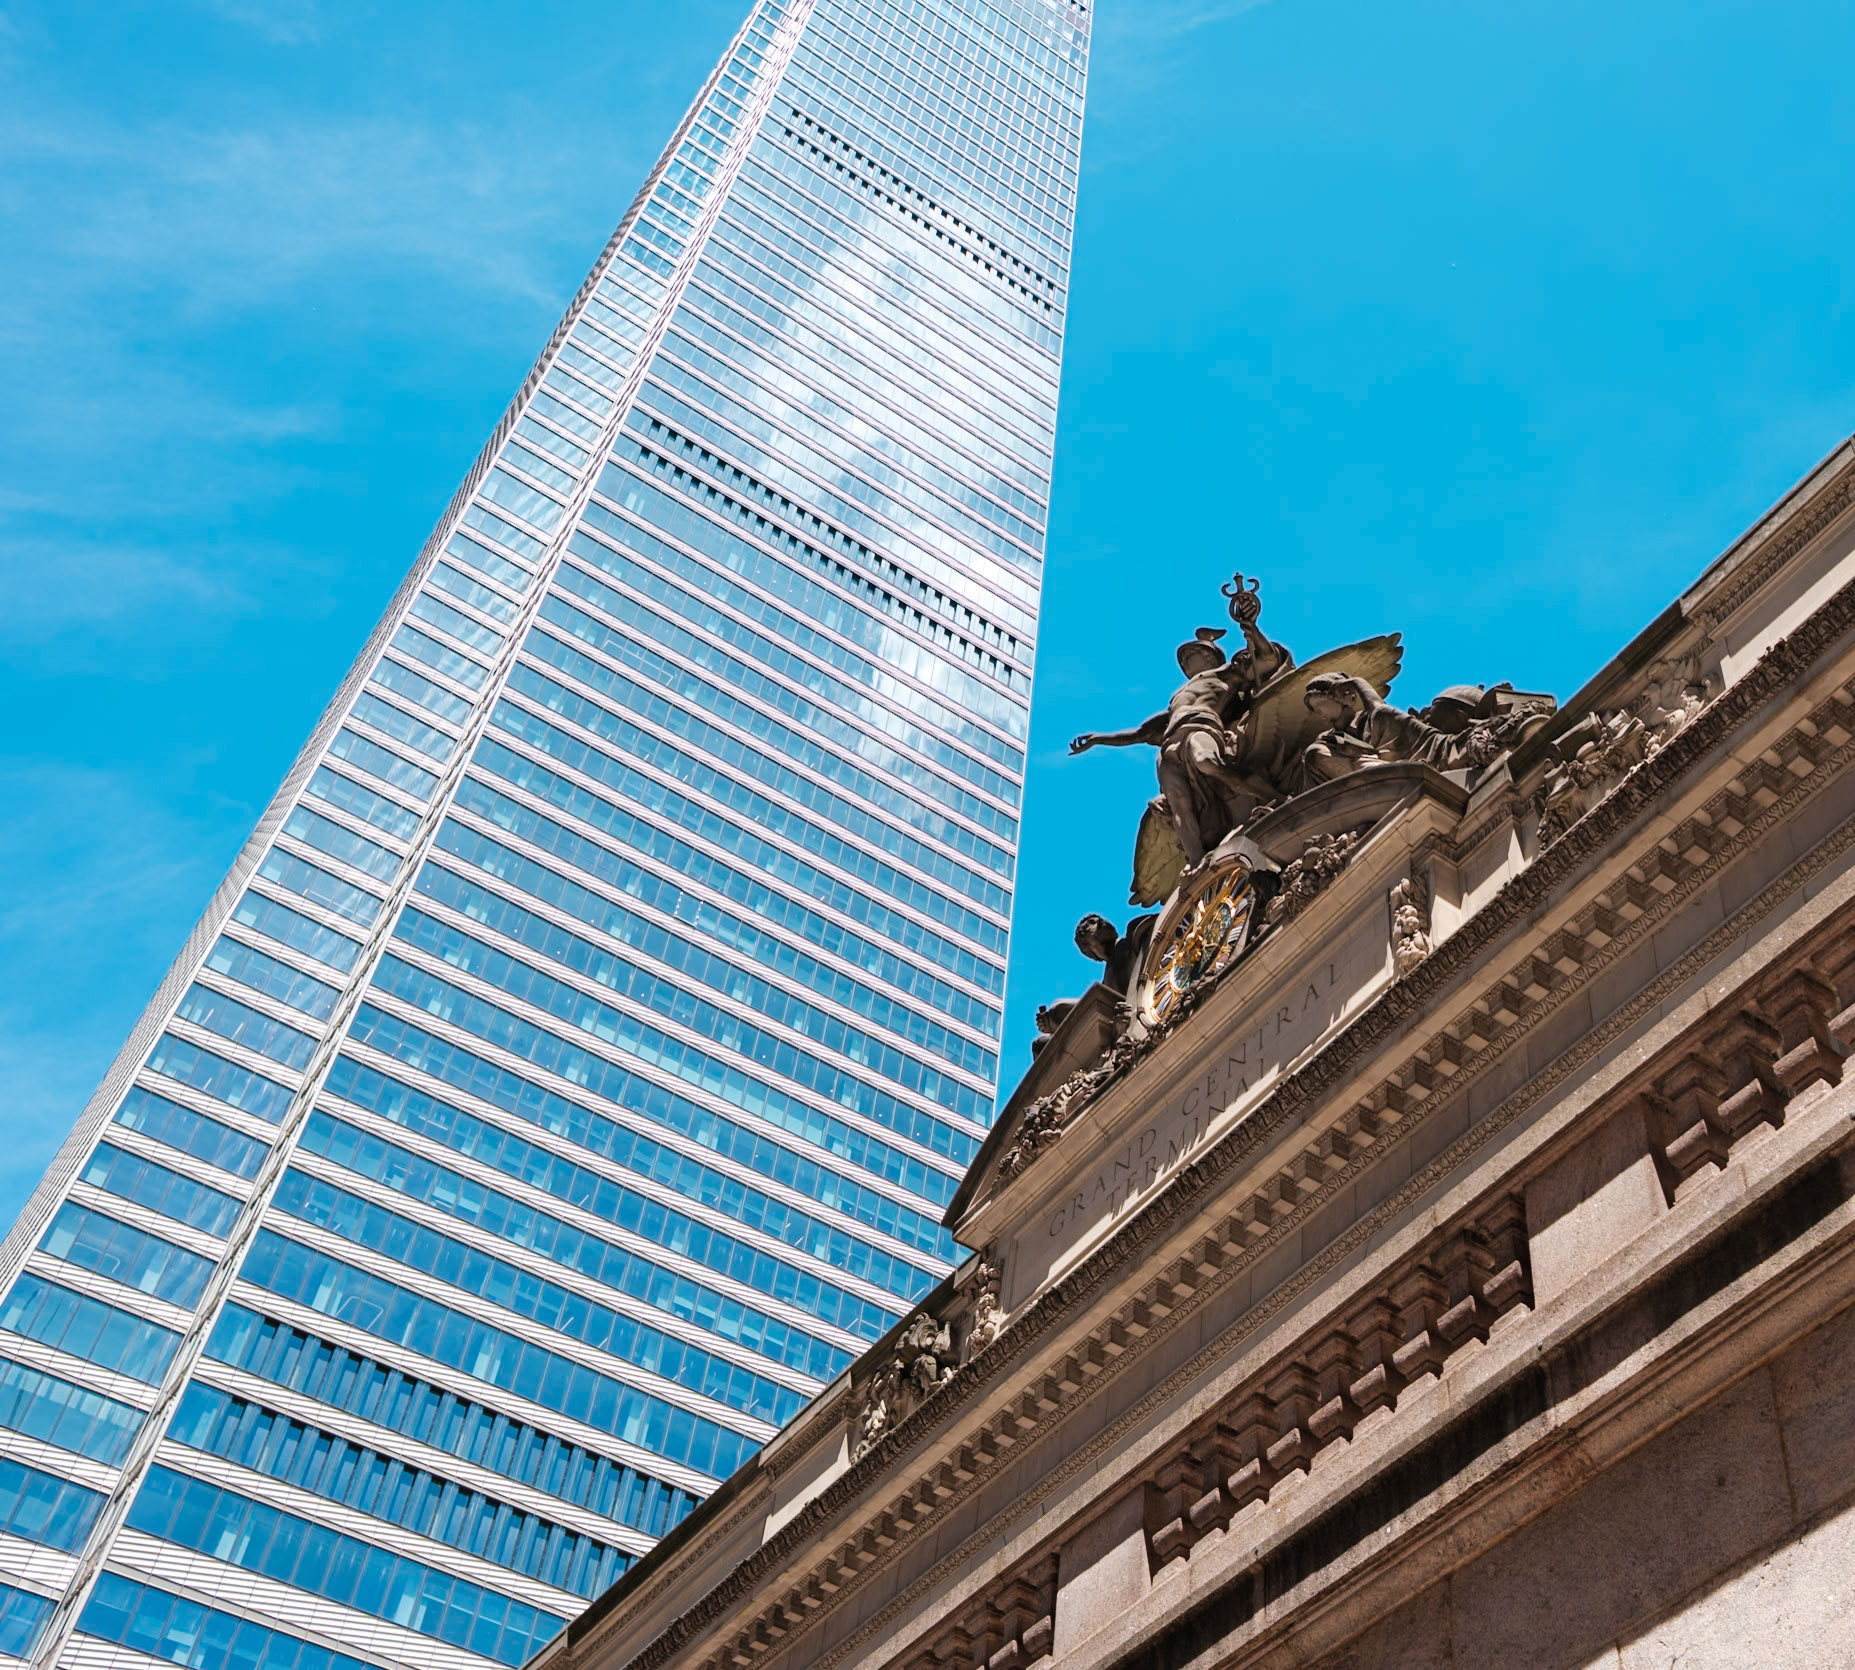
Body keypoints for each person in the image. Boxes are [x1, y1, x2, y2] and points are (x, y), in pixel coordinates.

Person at [1070, 577, 1291, 867]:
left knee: (1209, 762)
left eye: (1192, 652)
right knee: (1178, 804)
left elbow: (1265, 661)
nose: (1186, 657)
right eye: (1184, 655)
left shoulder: (1228, 673)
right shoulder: (1177, 697)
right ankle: (1197, 865)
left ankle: (1276, 798)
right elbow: (1140, 733)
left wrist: (1250, 627)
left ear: (1211, 655)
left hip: (1200, 729)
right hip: (1169, 746)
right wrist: (1099, 739)